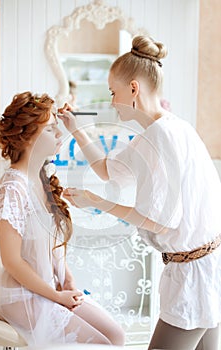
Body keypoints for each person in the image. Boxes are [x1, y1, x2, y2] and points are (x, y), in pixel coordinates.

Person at [59, 35, 221, 350]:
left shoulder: (159, 139)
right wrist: (76, 129)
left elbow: (159, 223)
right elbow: (107, 170)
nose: (111, 102)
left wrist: (97, 202)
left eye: (113, 92)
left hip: (193, 277)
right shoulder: (171, 129)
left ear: (133, 89)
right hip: (207, 268)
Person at [0, 91, 125, 347]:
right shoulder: (12, 189)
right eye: (52, 129)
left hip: (47, 286)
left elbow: (50, 245)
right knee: (102, 343)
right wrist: (55, 296)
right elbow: (12, 261)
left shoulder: (40, 178)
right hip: (21, 295)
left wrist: (68, 279)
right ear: (28, 136)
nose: (60, 135)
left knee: (116, 335)